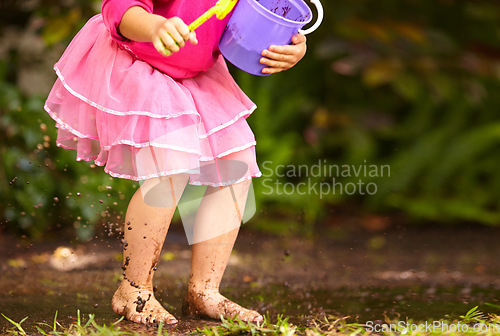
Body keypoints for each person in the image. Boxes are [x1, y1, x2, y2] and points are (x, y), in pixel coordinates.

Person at [44, 0, 307, 326]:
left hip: (194, 73)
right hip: (139, 61)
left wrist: (290, 43)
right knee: (170, 163)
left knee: (235, 162)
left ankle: (204, 291)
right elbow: (119, 8)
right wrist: (154, 26)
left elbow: (254, 18)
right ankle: (134, 288)